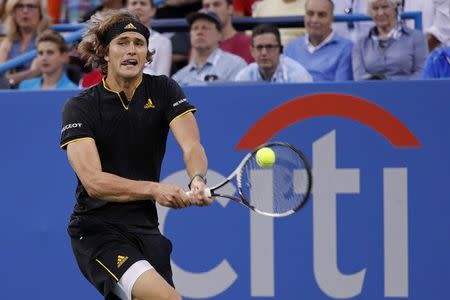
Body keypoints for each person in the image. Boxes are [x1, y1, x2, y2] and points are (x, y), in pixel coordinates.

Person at [60, 10, 212, 300]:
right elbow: (94, 182)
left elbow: (192, 145)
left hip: (146, 230)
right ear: (105, 53)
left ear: (147, 53)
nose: (132, 50)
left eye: (139, 43)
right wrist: (154, 189)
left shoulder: (165, 89)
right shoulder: (80, 107)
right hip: (97, 230)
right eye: (122, 42)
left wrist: (197, 180)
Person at [352, 0, 427, 80]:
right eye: (375, 8)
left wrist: (396, 87)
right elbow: (359, 78)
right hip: (372, 91)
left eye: (385, 7)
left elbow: (421, 73)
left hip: (407, 90)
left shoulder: (416, 38)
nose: (380, 13)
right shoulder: (360, 44)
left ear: (395, 9)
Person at [284, 0, 353, 81]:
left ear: (332, 18)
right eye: (310, 14)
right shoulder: (291, 47)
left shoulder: (346, 48)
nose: (314, 20)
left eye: (321, 15)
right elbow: (284, 84)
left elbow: (341, 89)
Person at [172, 11, 247, 85]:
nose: (199, 32)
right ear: (190, 35)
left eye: (205, 28)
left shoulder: (235, 65)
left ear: (219, 35)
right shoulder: (179, 76)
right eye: (195, 28)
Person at [235, 24, 312, 83]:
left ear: (279, 50)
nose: (264, 53)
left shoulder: (298, 76)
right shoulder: (243, 77)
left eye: (269, 47)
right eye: (259, 47)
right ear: (252, 51)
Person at [0, 0, 51, 88]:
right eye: (19, 6)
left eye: (30, 6)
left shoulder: (48, 38)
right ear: (13, 12)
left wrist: (9, 80)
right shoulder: (8, 41)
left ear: (41, 12)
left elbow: (36, 73)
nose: (25, 11)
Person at [127, 0, 172, 76]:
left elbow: (162, 77)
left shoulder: (163, 42)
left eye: (143, 3)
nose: (138, 7)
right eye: (134, 3)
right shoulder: (118, 40)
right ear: (127, 9)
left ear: (153, 11)